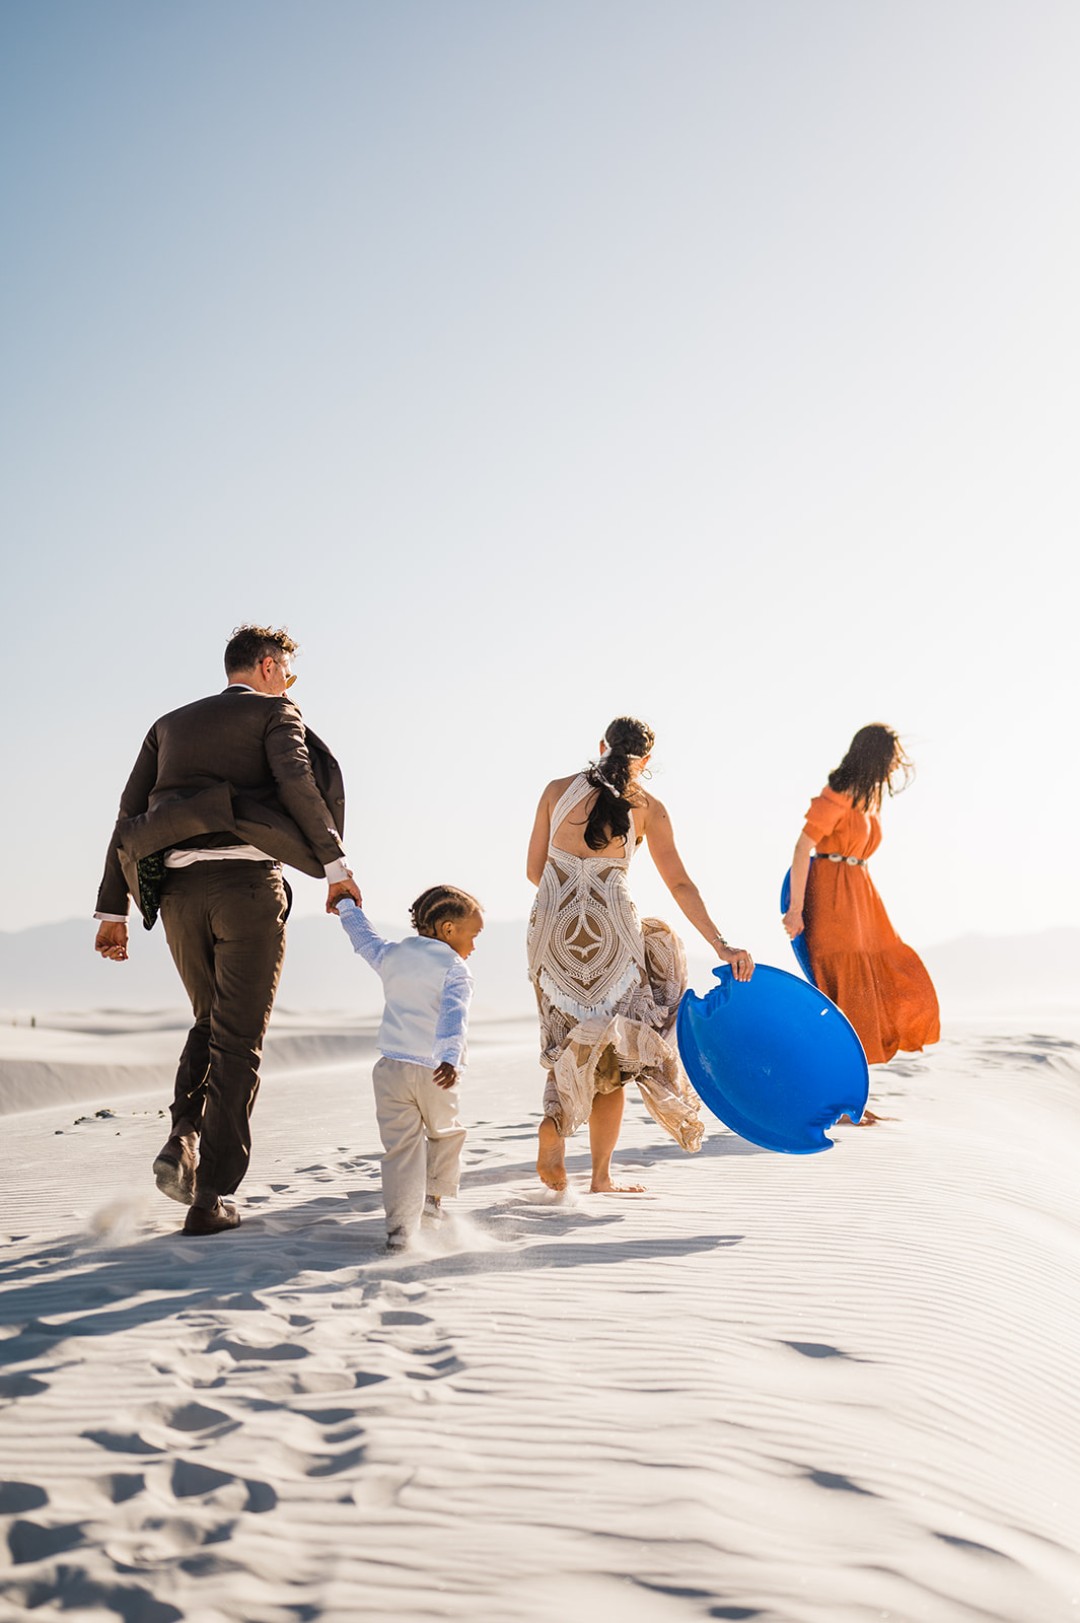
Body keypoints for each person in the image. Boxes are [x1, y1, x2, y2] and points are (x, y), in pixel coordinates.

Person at [93, 624, 361, 1235]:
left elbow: (127, 816)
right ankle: (210, 1197)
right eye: (288, 672)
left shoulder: (169, 723)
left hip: (178, 897)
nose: (290, 683)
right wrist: (336, 869)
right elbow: (296, 782)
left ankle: (184, 1137)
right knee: (238, 1040)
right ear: (268, 667)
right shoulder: (274, 712)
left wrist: (114, 909)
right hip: (245, 889)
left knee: (210, 1022)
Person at [526, 716, 754, 1194]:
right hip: (612, 933)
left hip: (552, 931)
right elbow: (679, 884)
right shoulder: (649, 808)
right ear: (646, 761)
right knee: (616, 1051)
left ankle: (555, 1122)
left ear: (602, 745)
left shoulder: (555, 790)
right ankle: (601, 1177)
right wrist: (721, 943)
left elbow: (533, 871)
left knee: (567, 1040)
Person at [782, 723, 940, 1094]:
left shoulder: (867, 800)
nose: (893, 766)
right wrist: (795, 909)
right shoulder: (837, 794)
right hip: (835, 901)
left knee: (889, 976)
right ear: (875, 757)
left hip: (862, 901)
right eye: (890, 758)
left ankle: (850, 1096)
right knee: (849, 999)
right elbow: (802, 847)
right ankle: (842, 1097)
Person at [334, 885, 482, 1251]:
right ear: (448, 930)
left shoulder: (393, 954)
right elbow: (454, 1016)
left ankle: (400, 1231)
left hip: (390, 1071)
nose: (474, 946)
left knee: (399, 1151)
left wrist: (347, 906)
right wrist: (448, 1056)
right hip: (436, 1072)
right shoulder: (455, 968)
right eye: (473, 934)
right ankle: (432, 1205)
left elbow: (364, 940)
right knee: (446, 1134)